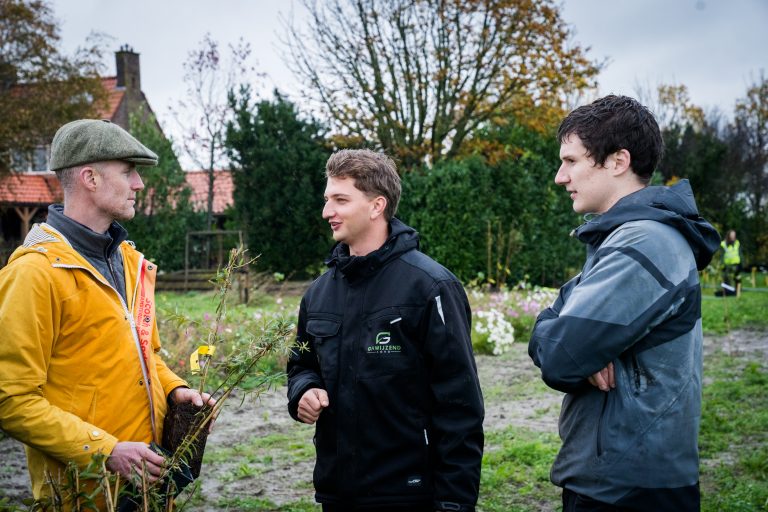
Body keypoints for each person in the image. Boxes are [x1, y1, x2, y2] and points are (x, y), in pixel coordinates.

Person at [0, 119, 213, 503]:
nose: (139, 185)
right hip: (85, 494)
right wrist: (105, 450)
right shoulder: (34, 273)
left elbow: (148, 354)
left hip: (147, 482)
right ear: (90, 178)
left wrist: (175, 389)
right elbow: (11, 400)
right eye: (129, 171)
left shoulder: (130, 263)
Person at [528, 95, 720, 511]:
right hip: (617, 477)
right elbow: (556, 331)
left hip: (628, 487)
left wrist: (571, 338)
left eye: (571, 161)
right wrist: (570, 335)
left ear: (618, 161)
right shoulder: (622, 239)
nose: (561, 177)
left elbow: (560, 355)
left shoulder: (644, 242)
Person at [287, 149, 484, 512]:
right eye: (327, 199)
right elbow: (301, 365)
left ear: (377, 205)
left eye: (340, 200)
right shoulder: (319, 292)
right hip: (337, 492)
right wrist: (304, 390)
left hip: (410, 494)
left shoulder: (431, 287)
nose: (326, 212)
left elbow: (460, 406)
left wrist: (455, 503)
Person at [720, 229, 742, 296]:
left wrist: (742, 263)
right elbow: (722, 256)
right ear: (728, 235)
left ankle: (737, 292)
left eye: (734, 235)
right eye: (732, 235)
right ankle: (728, 293)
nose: (733, 236)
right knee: (726, 279)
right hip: (727, 266)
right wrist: (722, 265)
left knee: (737, 278)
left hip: (736, 264)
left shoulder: (737, 243)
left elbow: (740, 254)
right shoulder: (723, 244)